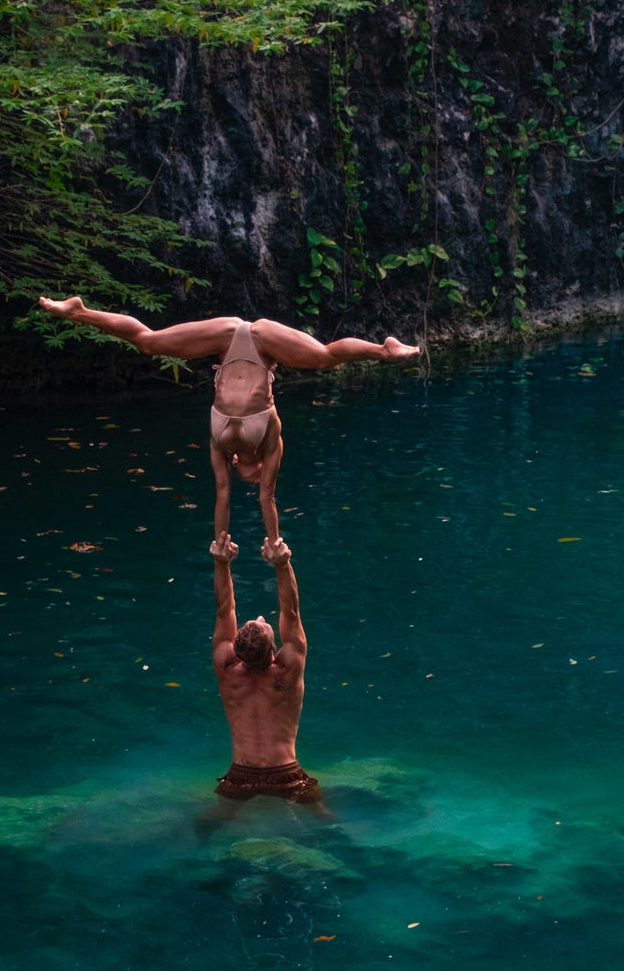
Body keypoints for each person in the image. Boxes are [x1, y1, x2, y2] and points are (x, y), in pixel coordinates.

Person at [36, 297, 419, 541]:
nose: (251, 481)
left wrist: (221, 543)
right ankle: (81, 312)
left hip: (228, 338)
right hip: (259, 338)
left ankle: (78, 312)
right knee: (321, 357)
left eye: (246, 479)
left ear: (238, 464)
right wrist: (274, 542)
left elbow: (222, 495)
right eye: (253, 477)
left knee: (150, 344)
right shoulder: (271, 442)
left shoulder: (220, 445)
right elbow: (267, 498)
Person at [208, 529, 318, 802]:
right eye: (263, 623)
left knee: (210, 825)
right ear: (274, 651)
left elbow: (225, 609)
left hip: (240, 776)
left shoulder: (227, 669)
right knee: (326, 826)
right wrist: (282, 564)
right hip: (286, 774)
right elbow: (290, 612)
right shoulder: (287, 670)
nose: (259, 616)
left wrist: (221, 563)